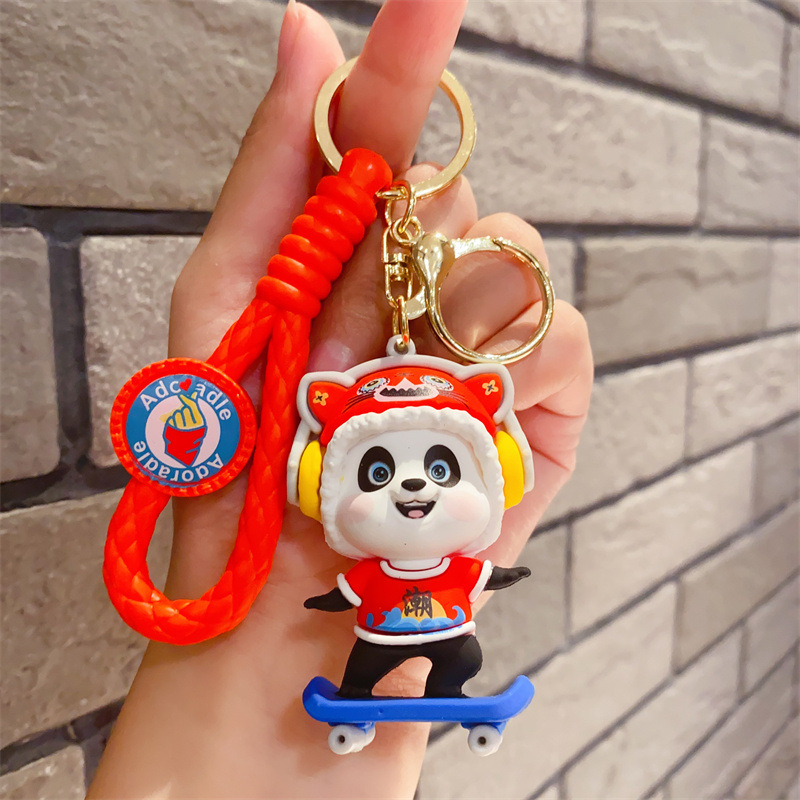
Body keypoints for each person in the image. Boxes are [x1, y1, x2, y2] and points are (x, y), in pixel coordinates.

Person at [87, 1, 593, 797]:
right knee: (369, 659)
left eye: (440, 466)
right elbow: (340, 595)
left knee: (454, 656)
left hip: (431, 629)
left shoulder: (457, 549)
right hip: (361, 632)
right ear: (316, 476)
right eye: (378, 472)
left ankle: (446, 688)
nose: (415, 486)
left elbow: (458, 578)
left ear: (499, 464)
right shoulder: (327, 500)